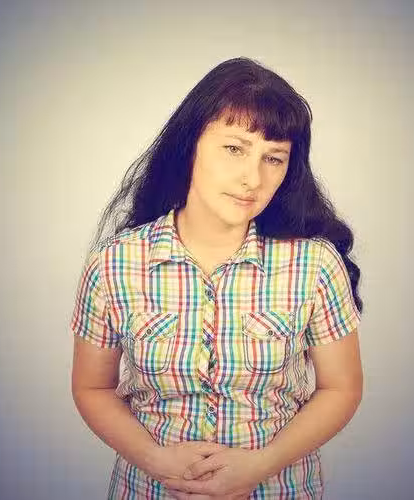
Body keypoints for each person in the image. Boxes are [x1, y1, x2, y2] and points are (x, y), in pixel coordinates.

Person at [70, 56, 364, 500]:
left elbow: (341, 388)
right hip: (150, 490)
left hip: (279, 490)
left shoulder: (316, 264)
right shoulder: (114, 263)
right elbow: (92, 387)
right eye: (234, 149)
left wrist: (260, 465)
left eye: (274, 158)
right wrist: (155, 459)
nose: (253, 178)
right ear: (190, 145)